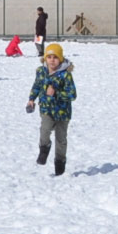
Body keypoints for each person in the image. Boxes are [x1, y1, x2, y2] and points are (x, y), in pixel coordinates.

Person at [26, 43, 76, 175]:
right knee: (45, 129)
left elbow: (72, 94)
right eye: (49, 57)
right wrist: (31, 99)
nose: (52, 60)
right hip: (46, 109)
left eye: (55, 57)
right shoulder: (41, 72)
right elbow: (36, 86)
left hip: (63, 113)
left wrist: (57, 93)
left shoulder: (66, 75)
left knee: (61, 139)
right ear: (45, 59)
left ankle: (60, 164)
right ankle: (44, 149)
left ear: (60, 58)